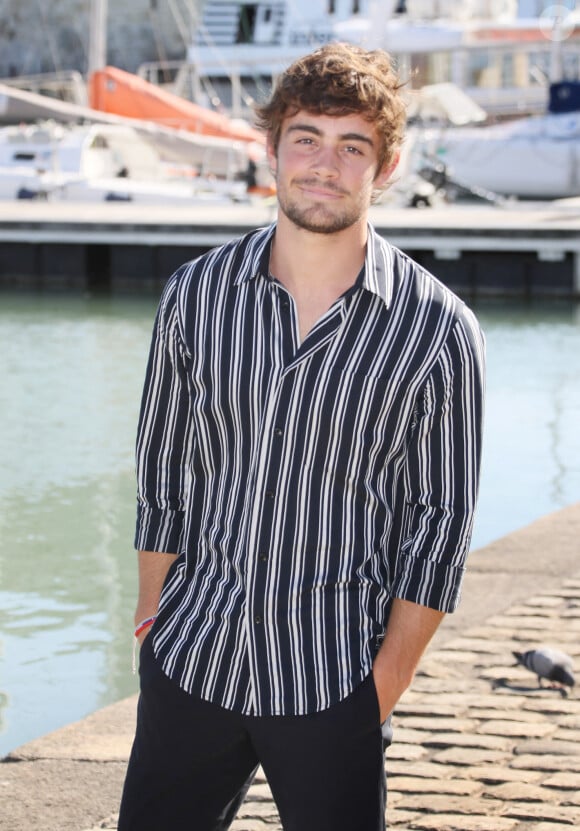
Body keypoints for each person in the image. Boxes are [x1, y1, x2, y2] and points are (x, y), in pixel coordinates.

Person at [118, 42, 485, 831]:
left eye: (353, 146)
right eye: (307, 138)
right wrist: (154, 621)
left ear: (384, 166)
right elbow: (164, 474)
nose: (326, 164)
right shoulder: (197, 296)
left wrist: (381, 685)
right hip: (192, 660)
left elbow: (439, 527)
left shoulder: (437, 331)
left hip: (333, 678)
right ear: (273, 148)